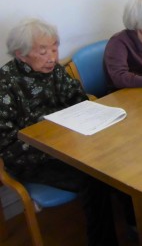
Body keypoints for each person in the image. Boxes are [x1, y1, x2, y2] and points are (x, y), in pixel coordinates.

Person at [0, 18, 130, 245]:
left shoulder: (55, 71)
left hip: (70, 143)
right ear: (21, 54)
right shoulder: (5, 84)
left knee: (116, 159)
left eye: (55, 48)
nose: (52, 57)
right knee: (94, 178)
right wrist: (53, 136)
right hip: (33, 158)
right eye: (43, 51)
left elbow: (78, 99)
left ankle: (136, 222)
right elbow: (8, 145)